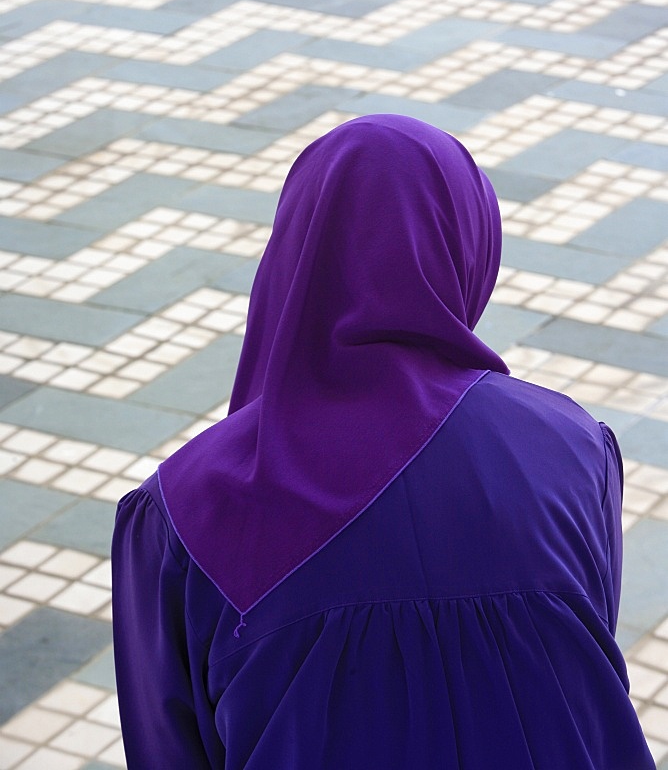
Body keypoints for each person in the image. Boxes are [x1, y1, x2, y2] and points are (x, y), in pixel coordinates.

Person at [112, 114, 654, 769]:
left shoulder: (183, 510)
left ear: (294, 250)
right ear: (468, 245)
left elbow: (169, 751)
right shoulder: (573, 450)